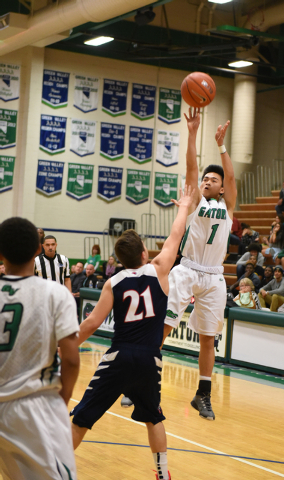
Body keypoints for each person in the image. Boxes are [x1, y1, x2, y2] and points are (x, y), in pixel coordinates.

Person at [70, 185, 194, 480]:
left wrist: (65, 346)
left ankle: (54, 469)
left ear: (119, 260)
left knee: (83, 417)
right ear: (144, 252)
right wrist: (184, 207)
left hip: (120, 355)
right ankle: (163, 474)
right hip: (151, 358)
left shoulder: (113, 282)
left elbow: (91, 324)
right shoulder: (160, 269)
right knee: (154, 417)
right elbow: (175, 237)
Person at [159, 110, 237, 420]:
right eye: (205, 179)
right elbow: (192, 167)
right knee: (163, 327)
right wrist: (193, 133)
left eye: (213, 180)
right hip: (187, 269)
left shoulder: (227, 207)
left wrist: (222, 146)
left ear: (221, 188)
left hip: (214, 276)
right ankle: (139, 381)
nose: (207, 181)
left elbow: (231, 178)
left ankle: (202, 395)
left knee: (208, 339)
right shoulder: (195, 200)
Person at [0, 217, 80, 480]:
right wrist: (61, 401)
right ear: (37, 249)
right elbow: (70, 360)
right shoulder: (56, 294)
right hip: (34, 408)